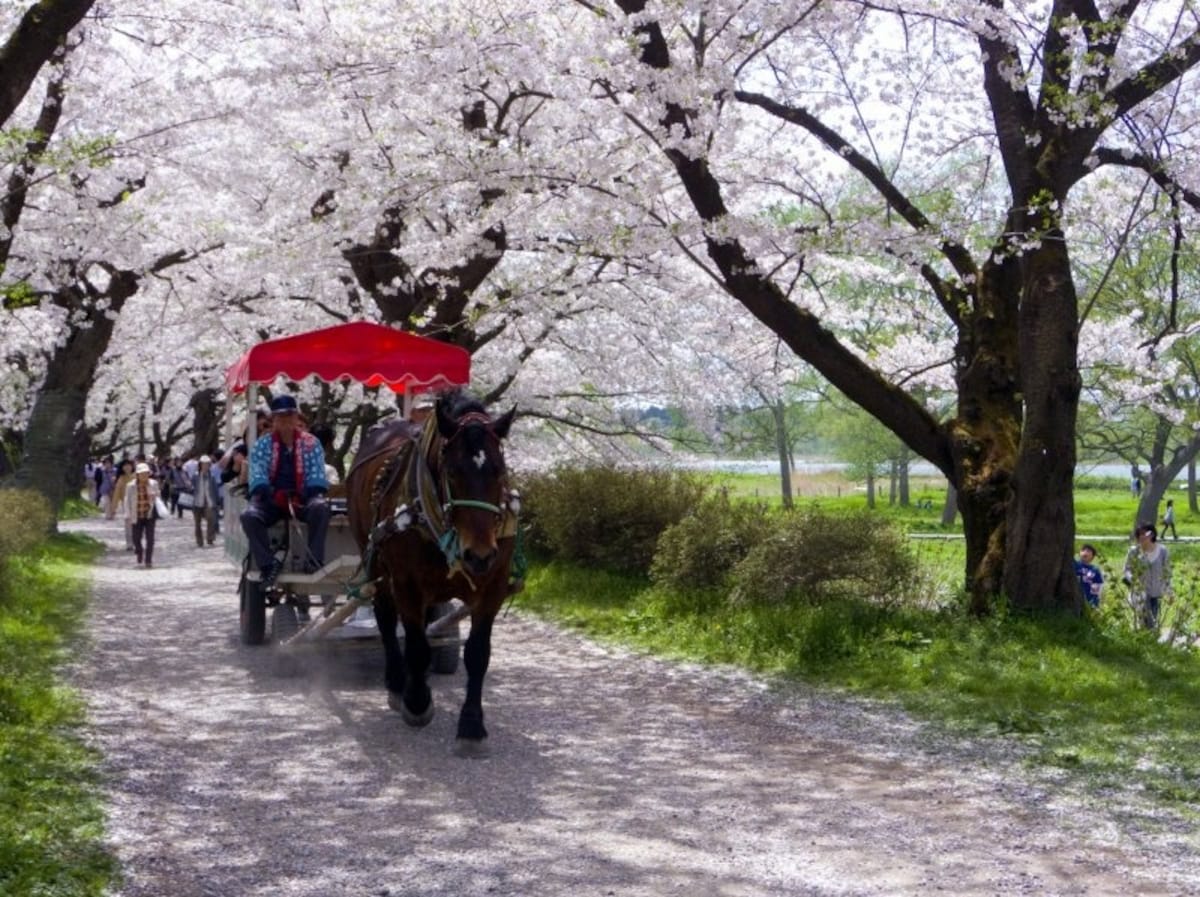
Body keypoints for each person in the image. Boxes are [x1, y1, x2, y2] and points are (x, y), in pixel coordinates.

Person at [240, 394, 330, 586]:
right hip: (271, 498)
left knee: (320, 508)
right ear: (274, 420)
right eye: (281, 418)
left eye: (290, 417)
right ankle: (267, 564)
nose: (286, 422)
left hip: (302, 499)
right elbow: (258, 471)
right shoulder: (262, 444)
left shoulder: (311, 442)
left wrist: (306, 492)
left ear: (297, 418)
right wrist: (268, 491)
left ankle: (314, 559)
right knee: (249, 516)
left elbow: (316, 471)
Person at [1123, 523, 1172, 630]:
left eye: (1145, 533)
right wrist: (1133, 580)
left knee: (1152, 621)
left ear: (1152, 534)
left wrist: (1169, 591)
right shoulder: (1134, 551)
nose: (1142, 536)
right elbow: (1127, 570)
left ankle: (1149, 642)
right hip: (1139, 593)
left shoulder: (1163, 551)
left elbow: (1167, 572)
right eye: (1139, 534)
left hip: (1156, 592)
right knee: (1143, 621)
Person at [123, 462, 161, 568]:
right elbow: (127, 500)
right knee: (136, 538)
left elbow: (158, 493)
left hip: (149, 514)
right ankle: (139, 552)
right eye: (141, 473)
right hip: (137, 514)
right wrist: (127, 514)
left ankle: (148, 560)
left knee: (150, 538)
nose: (144, 475)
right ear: (137, 475)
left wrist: (155, 495)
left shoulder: (153, 483)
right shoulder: (130, 486)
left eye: (146, 473)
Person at [191, 455, 219, 547]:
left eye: (207, 464)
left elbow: (215, 490)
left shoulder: (212, 477)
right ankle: (199, 541)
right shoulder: (195, 476)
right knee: (197, 523)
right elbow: (192, 487)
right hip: (197, 501)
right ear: (200, 465)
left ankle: (210, 538)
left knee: (211, 519)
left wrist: (217, 502)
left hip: (209, 501)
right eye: (203, 464)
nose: (205, 466)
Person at [110, 459, 136, 552]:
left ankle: (136, 541)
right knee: (128, 524)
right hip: (126, 504)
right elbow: (116, 494)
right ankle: (129, 543)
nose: (127, 467)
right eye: (125, 465)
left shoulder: (137, 476)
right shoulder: (121, 478)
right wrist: (113, 508)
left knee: (136, 524)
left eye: (129, 465)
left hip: (138, 503)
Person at [1073, 543, 1103, 609]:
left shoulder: (1095, 570)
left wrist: (1094, 602)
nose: (1085, 552)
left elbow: (1097, 587)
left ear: (1093, 556)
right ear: (1079, 553)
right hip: (1074, 598)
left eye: (1088, 551)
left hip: (1088, 600)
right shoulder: (1075, 564)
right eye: (1083, 550)